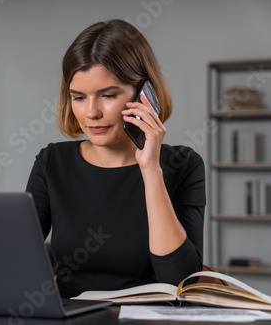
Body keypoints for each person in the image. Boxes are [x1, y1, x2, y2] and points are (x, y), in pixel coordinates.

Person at [25, 19, 205, 299]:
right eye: (79, 97)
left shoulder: (184, 164)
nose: (91, 113)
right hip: (72, 317)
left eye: (108, 95)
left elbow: (181, 280)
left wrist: (150, 170)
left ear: (146, 95)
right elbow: (19, 255)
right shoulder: (52, 162)